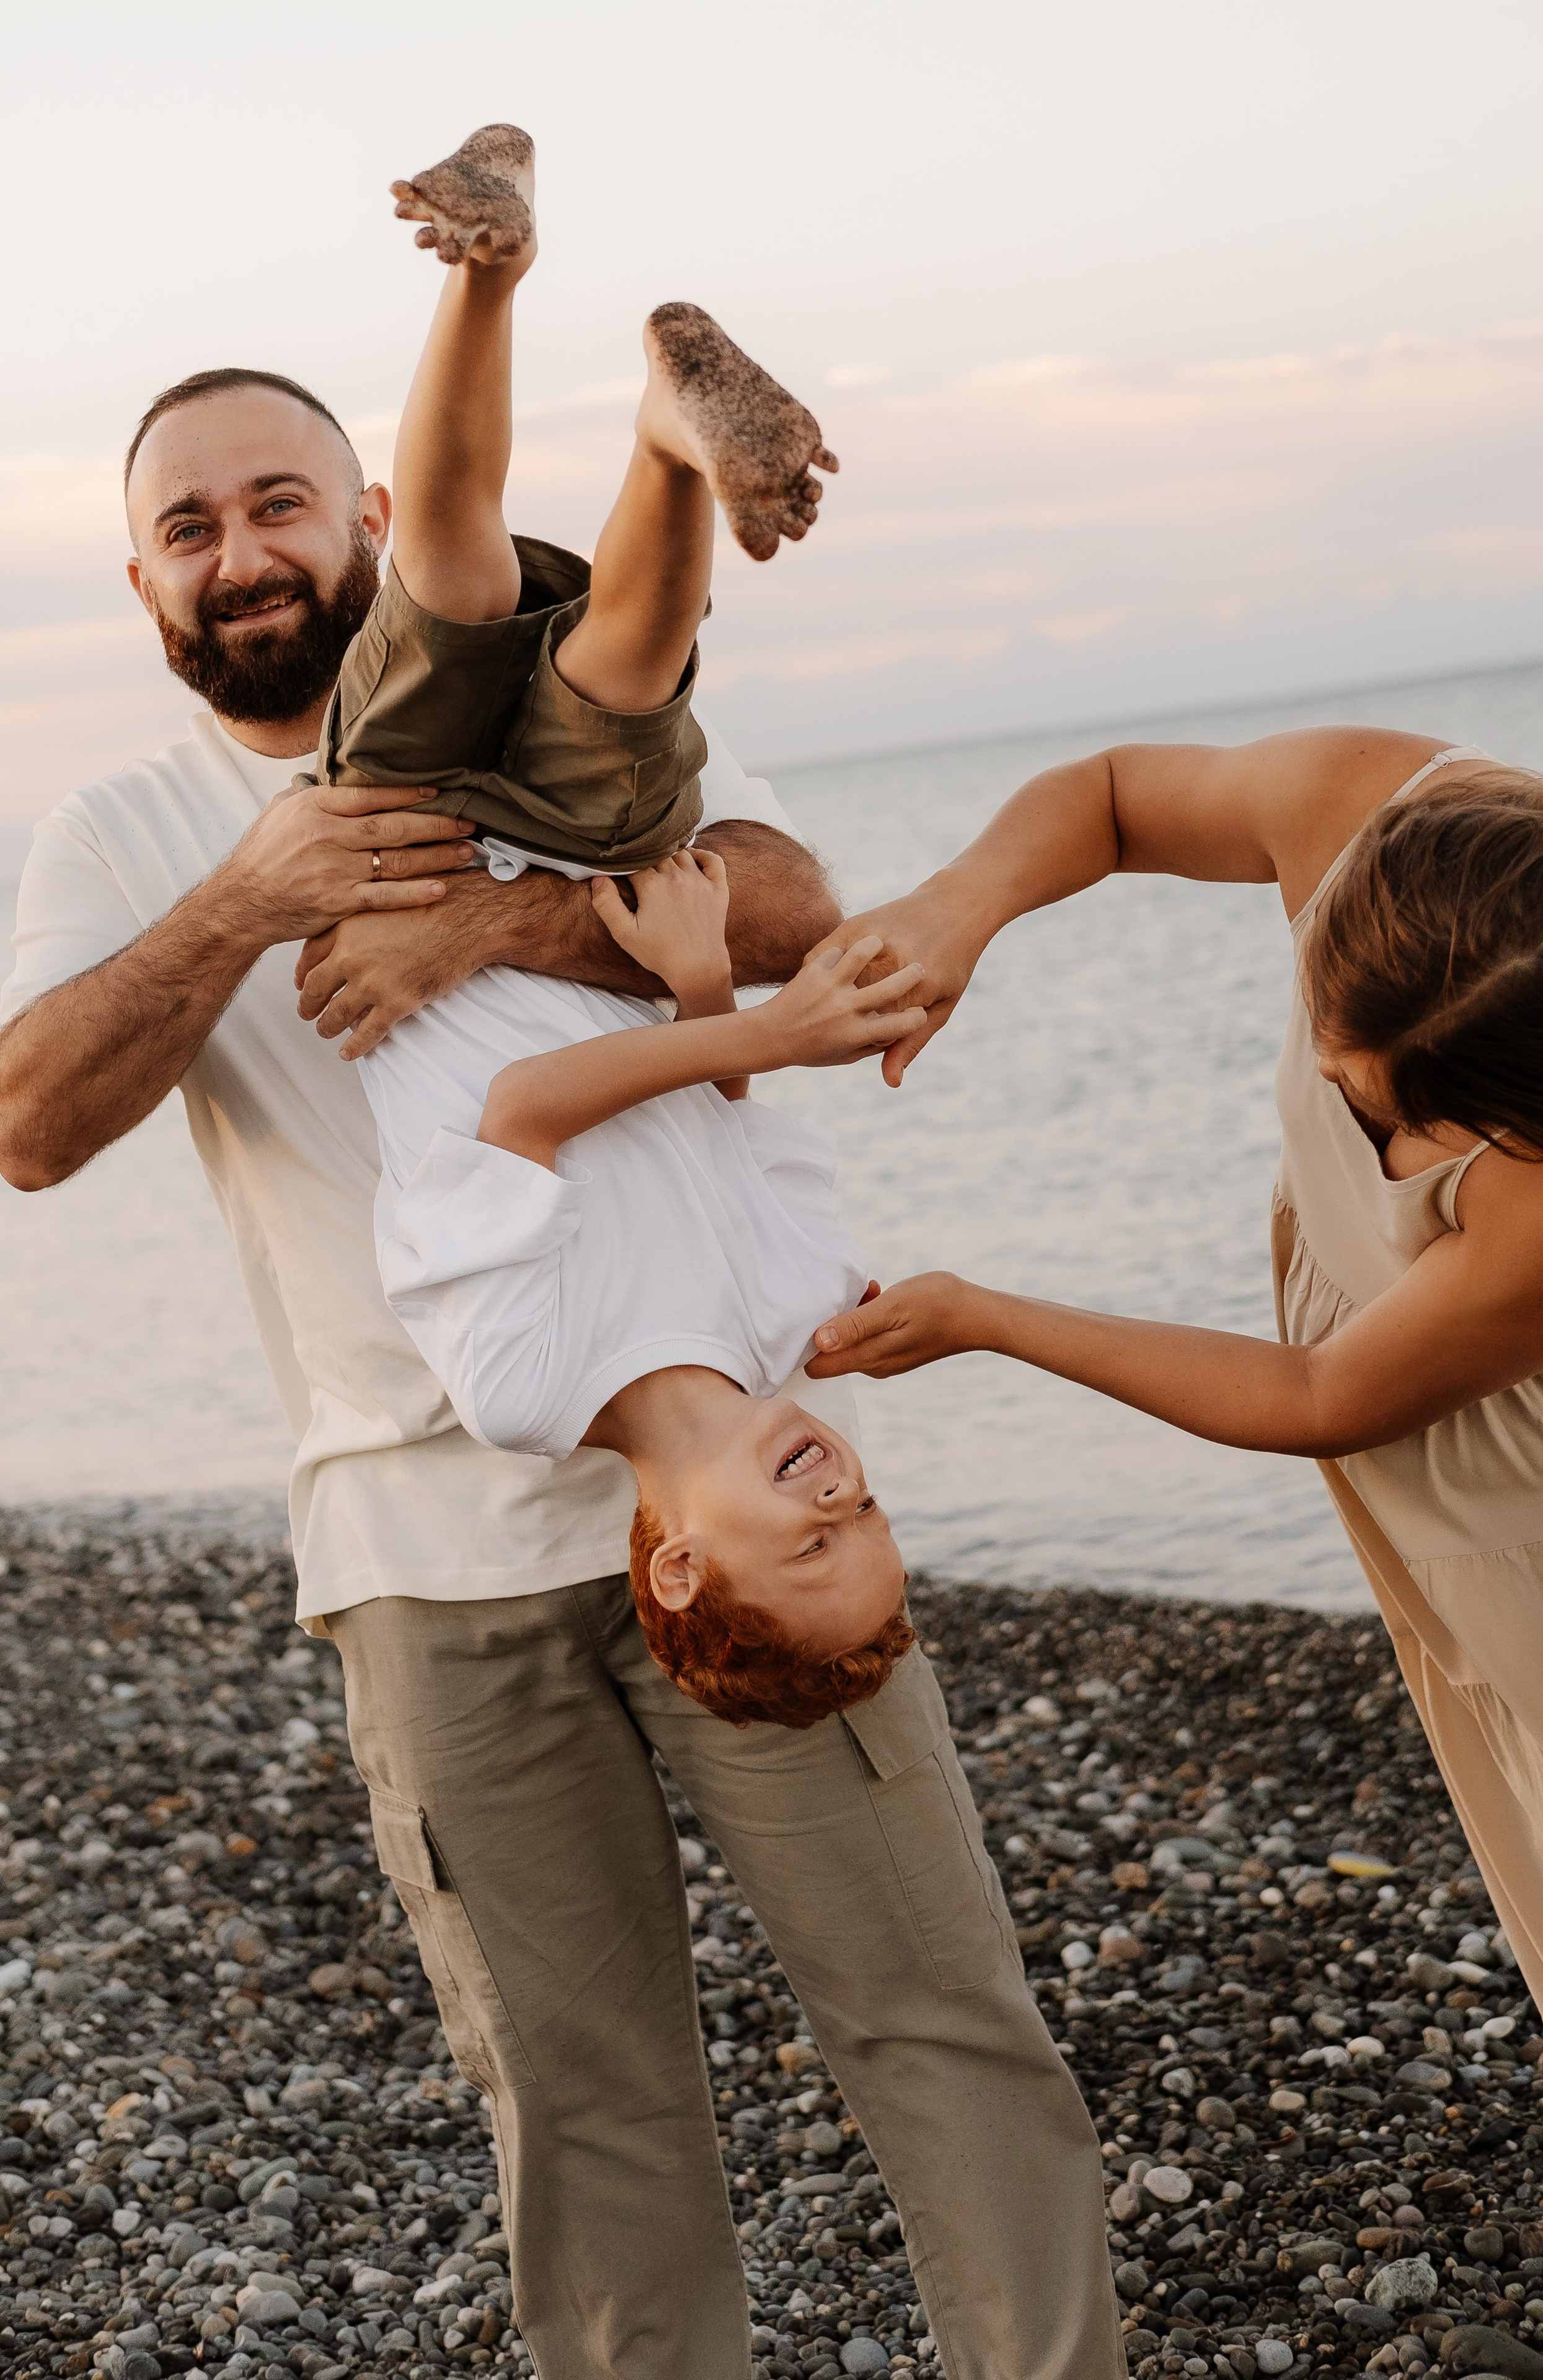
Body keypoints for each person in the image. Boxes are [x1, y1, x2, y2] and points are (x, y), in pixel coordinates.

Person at [0, 137, 1128, 2380]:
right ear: (137, 575)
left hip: (753, 1486)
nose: (244, 549)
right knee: (583, 2091)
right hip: (429, 1555)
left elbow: (797, 916)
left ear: (353, 513)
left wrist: (481, 925)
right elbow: (29, 1122)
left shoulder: (529, 733)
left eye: (280, 501)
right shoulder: (123, 832)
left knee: (935, 2006)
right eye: (192, 523)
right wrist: (255, 897)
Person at [807, 727, 1543, 2085]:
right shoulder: (1376, 821)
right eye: (1345, 1083)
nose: (1371, 1150)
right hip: (1445, 1520)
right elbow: (1106, 798)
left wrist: (989, 1319)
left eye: (1413, 1135)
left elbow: (1319, 1393)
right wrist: (958, 907)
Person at [337, 123, 918, 1723]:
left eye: (807, 1554)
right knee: (625, 669)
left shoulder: (524, 1396)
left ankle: (486, 271)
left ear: (671, 1564)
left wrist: (759, 1023)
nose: (835, 1502)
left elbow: (522, 1115)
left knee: (448, 580)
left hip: (402, 857)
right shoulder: (800, 1316)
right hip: (585, 885)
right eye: (867, 1523)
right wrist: (700, 983)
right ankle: (673, 437)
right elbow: (728, 1126)